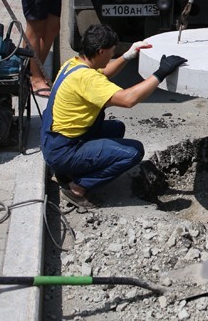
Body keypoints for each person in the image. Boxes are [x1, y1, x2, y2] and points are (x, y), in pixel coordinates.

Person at [40, 24, 187, 209]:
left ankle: (68, 172)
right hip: (63, 150)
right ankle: (77, 189)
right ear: (101, 51)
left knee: (117, 128)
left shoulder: (75, 64)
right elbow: (128, 100)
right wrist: (161, 73)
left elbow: (105, 71)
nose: (113, 55)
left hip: (53, 141)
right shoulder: (87, 79)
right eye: (112, 51)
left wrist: (129, 55)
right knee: (133, 152)